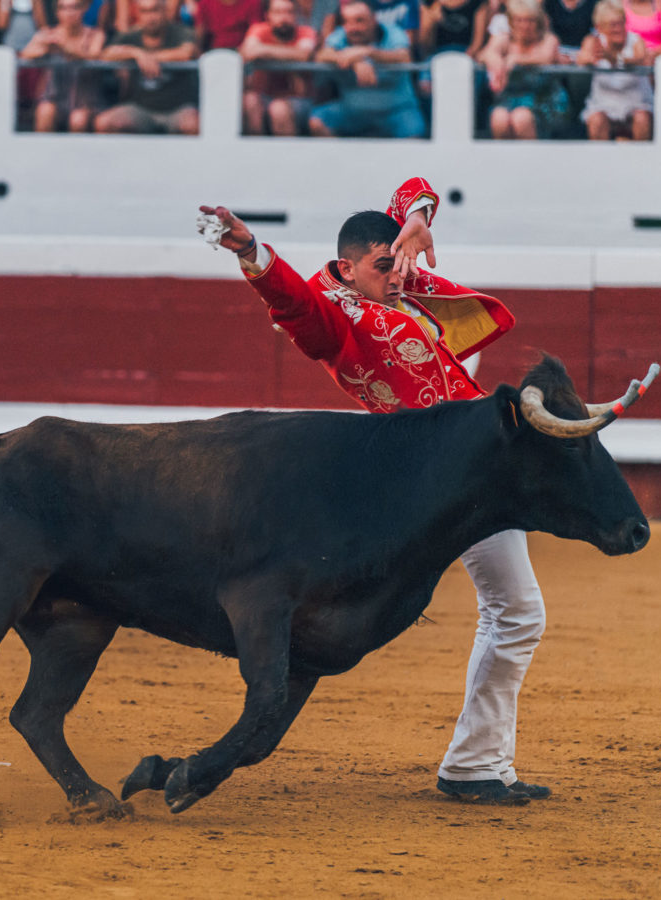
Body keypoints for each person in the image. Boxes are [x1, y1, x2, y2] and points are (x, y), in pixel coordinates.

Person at [198, 177, 552, 806]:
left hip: (472, 457)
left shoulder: (389, 269)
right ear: (346, 267)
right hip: (445, 478)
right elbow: (294, 308)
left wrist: (415, 219)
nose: (397, 275)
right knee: (516, 611)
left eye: (397, 263)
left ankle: (476, 762)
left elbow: (413, 189)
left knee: (513, 611)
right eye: (383, 266)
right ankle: (472, 764)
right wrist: (252, 252)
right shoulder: (334, 318)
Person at [310, 0, 426, 138]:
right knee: (317, 122)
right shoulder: (341, 34)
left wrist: (367, 52)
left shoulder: (393, 32)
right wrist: (355, 62)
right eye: (346, 21)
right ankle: (339, 158)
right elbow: (322, 55)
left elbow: (404, 56)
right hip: (353, 111)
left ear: (374, 20)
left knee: (415, 134)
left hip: (396, 111)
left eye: (359, 20)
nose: (353, 27)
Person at [94, 0, 201, 135]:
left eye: (154, 10)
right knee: (104, 123)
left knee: (195, 124)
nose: (150, 17)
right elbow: (106, 54)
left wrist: (150, 58)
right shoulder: (131, 36)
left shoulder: (181, 32)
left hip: (177, 109)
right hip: (140, 109)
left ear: (165, 11)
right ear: (138, 14)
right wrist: (136, 53)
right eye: (144, 11)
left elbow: (188, 52)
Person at [479, 0, 568, 139]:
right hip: (509, 99)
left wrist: (515, 59)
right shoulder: (504, 39)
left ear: (538, 21)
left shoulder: (548, 39)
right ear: (511, 22)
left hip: (542, 100)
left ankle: (531, 159)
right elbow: (485, 54)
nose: (525, 25)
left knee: (521, 118)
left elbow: (546, 57)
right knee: (499, 118)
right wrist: (495, 61)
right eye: (519, 20)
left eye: (530, 20)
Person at [18, 0, 106, 132]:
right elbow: (25, 55)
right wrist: (43, 48)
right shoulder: (48, 33)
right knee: (45, 111)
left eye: (74, 8)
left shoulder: (96, 34)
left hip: (85, 101)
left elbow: (93, 55)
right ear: (57, 12)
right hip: (53, 97)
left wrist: (63, 49)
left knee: (78, 119)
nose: (69, 13)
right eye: (63, 8)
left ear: (84, 8)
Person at [239, 0, 318, 136]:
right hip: (263, 96)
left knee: (278, 109)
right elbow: (248, 51)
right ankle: (256, 153)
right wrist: (289, 53)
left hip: (298, 99)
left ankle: (288, 156)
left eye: (289, 12)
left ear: (297, 15)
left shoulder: (306, 32)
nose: (284, 18)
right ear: (267, 15)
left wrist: (263, 51)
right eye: (278, 12)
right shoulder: (259, 29)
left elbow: (303, 54)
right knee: (249, 101)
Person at [578, 0, 653, 140]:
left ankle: (640, 161)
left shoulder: (636, 40)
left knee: (642, 119)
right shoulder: (593, 41)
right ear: (599, 27)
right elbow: (582, 59)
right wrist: (590, 59)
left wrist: (614, 59)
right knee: (596, 121)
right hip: (604, 104)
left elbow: (640, 59)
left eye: (621, 23)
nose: (618, 28)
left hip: (636, 103)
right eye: (613, 25)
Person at [418, 0, 491, 56]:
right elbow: (424, 47)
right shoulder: (430, 3)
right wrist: (432, 23)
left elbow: (477, 44)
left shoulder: (478, 2)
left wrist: (463, 60)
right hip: (437, 55)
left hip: (466, 55)